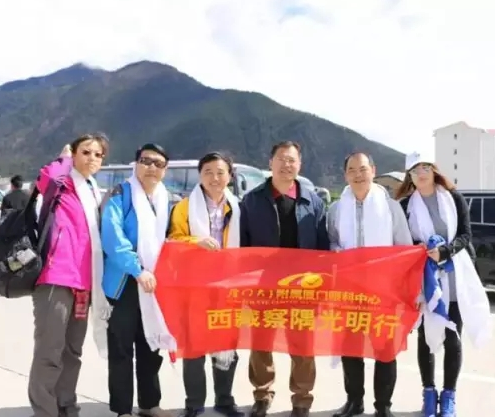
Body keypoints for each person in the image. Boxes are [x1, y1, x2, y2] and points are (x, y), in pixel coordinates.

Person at [396, 152, 491, 417]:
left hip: (454, 275)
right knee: (425, 338)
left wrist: (445, 251)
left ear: (434, 170)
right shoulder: (406, 206)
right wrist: (420, 249)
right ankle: (429, 393)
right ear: (409, 176)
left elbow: (465, 235)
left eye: (425, 167)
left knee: (452, 337)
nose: (421, 173)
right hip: (423, 279)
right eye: (415, 170)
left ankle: (449, 396)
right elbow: (402, 241)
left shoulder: (453, 198)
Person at [240, 141, 329, 417]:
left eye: (292, 160)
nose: (286, 164)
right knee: (261, 343)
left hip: (303, 287)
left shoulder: (313, 202)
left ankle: (302, 399)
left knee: (302, 344)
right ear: (270, 163)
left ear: (299, 165)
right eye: (281, 159)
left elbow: (323, 249)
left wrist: (321, 286)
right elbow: (243, 246)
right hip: (263, 286)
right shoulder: (252, 200)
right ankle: (262, 394)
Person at [28, 134, 110, 417]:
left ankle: (66, 406)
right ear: (73, 154)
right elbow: (45, 179)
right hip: (56, 277)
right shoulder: (62, 185)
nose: (91, 158)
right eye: (85, 152)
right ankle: (45, 411)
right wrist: (62, 159)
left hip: (85, 283)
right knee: (49, 351)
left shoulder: (93, 190)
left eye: (98, 154)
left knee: (72, 351)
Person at [327, 152, 413, 417]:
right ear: (345, 175)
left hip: (383, 291)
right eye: (352, 170)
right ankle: (354, 401)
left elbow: (404, 247)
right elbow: (332, 241)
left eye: (362, 169)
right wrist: (339, 254)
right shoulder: (336, 209)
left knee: (384, 350)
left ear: (373, 171)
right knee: (350, 348)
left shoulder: (390, 207)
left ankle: (383, 406)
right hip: (349, 291)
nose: (358, 175)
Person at [100, 143, 176, 417]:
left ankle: (149, 403)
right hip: (124, 283)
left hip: (155, 284)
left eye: (159, 163)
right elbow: (112, 237)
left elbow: (172, 239)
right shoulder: (120, 194)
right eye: (146, 161)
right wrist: (137, 269)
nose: (152, 168)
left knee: (151, 344)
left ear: (165, 170)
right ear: (136, 164)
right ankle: (122, 409)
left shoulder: (166, 199)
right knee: (121, 348)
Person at [167, 152, 243, 417]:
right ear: (200, 175)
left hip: (227, 286)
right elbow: (172, 241)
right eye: (208, 172)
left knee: (227, 345)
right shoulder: (184, 207)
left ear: (229, 177)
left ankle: (224, 400)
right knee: (194, 347)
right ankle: (194, 404)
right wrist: (194, 242)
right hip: (194, 285)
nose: (214, 178)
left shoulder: (237, 207)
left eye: (220, 172)